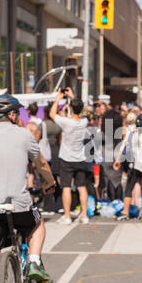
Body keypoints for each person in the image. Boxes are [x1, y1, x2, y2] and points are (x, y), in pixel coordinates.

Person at [0, 94, 55, 283]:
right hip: (18, 205)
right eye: (17, 113)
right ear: (11, 114)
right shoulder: (24, 134)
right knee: (37, 223)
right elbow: (41, 163)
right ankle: (34, 262)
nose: (19, 117)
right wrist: (50, 182)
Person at [49, 88, 89, 225]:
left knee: (66, 186)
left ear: (70, 109)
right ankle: (84, 215)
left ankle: (67, 216)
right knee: (82, 187)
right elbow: (83, 110)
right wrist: (73, 97)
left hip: (67, 158)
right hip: (80, 158)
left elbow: (52, 114)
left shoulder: (66, 122)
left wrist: (57, 99)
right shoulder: (84, 122)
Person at [113, 114, 142, 221]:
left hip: (134, 165)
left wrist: (118, 160)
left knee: (128, 189)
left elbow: (123, 147)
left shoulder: (132, 135)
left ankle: (125, 212)